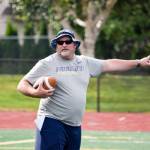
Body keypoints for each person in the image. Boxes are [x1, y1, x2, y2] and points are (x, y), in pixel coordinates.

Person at [17, 29, 150, 150]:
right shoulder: (46, 63)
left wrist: (138, 62)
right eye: (60, 42)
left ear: (75, 45)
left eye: (67, 41)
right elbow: (22, 84)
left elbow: (110, 64)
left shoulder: (84, 62)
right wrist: (35, 92)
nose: (63, 44)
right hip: (51, 120)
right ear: (56, 46)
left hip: (74, 125)